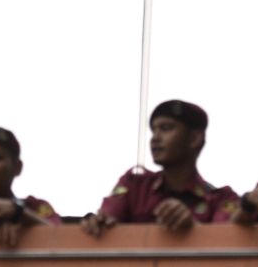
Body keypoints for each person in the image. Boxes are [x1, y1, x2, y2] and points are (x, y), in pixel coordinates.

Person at [81, 100, 239, 235]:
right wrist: (98, 223)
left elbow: (226, 242)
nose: (155, 138)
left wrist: (192, 230)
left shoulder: (220, 199)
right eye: (153, 130)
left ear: (194, 138)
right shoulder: (134, 185)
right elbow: (108, 217)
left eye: (166, 128)